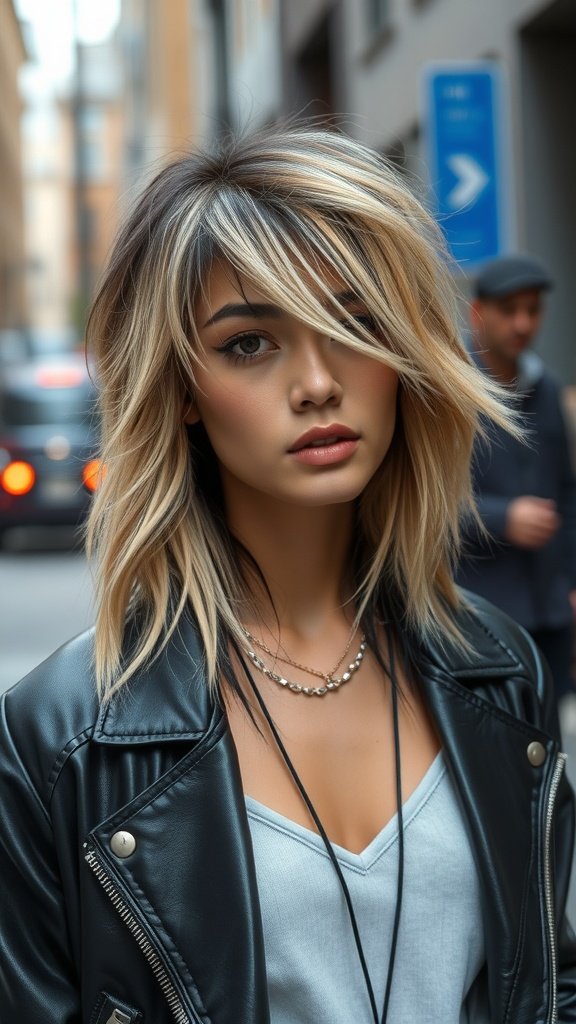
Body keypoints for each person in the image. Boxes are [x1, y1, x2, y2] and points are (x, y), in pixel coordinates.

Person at [0, 128, 575, 1024]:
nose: (316, 382)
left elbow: (548, 976)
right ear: (182, 390)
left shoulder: (499, 669)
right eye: (249, 343)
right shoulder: (62, 739)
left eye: (354, 324)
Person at [457, 254, 576, 704]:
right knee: (497, 751)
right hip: (481, 613)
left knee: (552, 753)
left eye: (533, 310)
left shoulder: (546, 388)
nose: (523, 323)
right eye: (509, 310)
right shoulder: (449, 391)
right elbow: (418, 503)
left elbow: (567, 494)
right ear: (477, 313)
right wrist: (503, 517)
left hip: (551, 611)